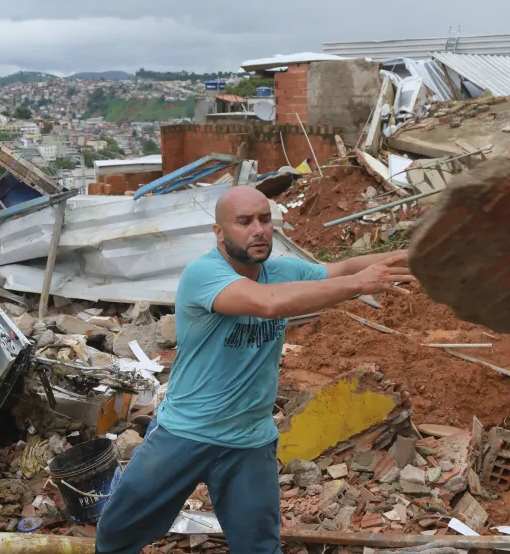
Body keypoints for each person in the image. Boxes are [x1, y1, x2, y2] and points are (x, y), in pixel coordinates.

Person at [96, 185, 415, 554]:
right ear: (219, 232)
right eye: (244, 221)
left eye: (264, 219)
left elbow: (339, 269)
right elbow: (268, 304)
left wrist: (409, 257)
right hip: (185, 432)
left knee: (259, 548)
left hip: (248, 441)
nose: (259, 229)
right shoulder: (204, 274)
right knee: (116, 534)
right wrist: (359, 284)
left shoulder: (280, 270)